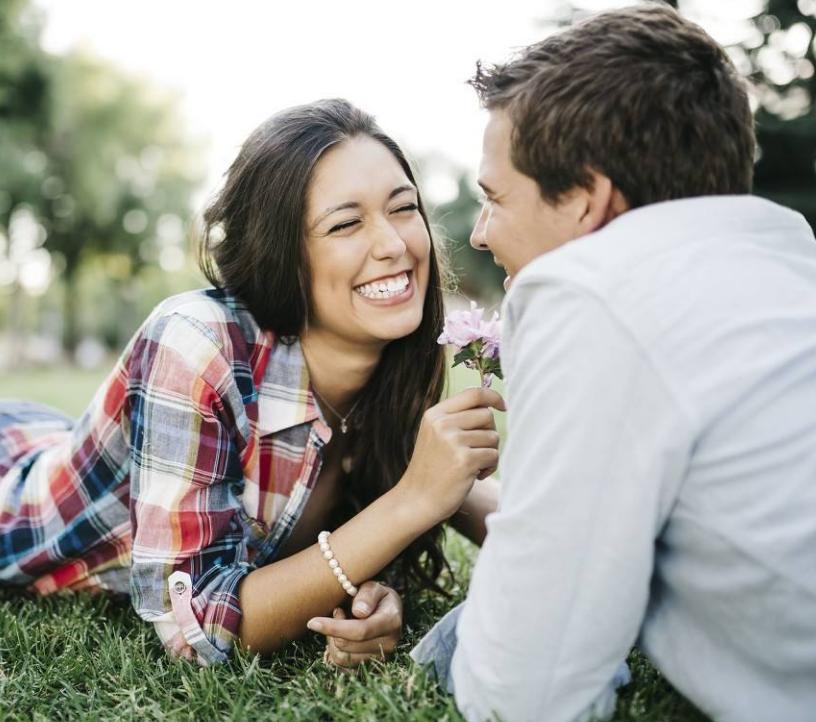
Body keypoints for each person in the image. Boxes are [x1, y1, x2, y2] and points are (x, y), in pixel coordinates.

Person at [411, 4, 816, 721]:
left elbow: (523, 693)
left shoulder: (588, 293)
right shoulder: (788, 270)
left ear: (587, 202)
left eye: (495, 197)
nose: (477, 234)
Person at [0, 98, 503, 667]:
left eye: (403, 208)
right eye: (345, 224)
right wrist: (413, 502)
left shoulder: (389, 365)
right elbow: (197, 632)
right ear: (280, 254)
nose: (393, 245)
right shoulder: (196, 341)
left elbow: (480, 508)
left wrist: (371, 596)